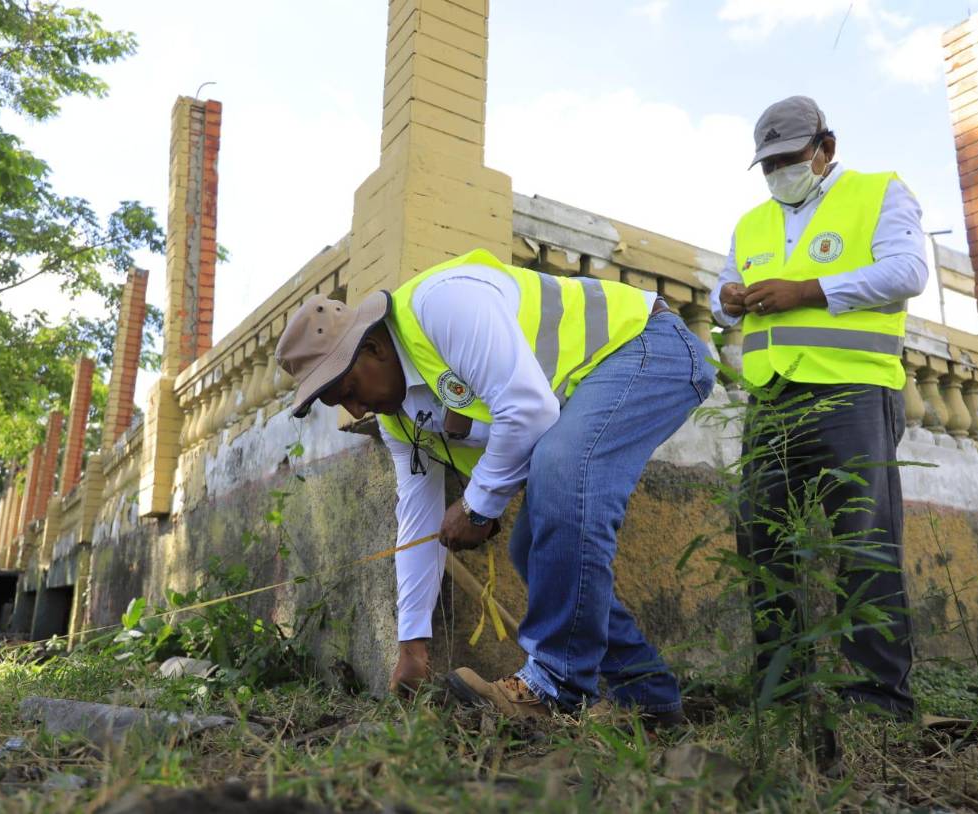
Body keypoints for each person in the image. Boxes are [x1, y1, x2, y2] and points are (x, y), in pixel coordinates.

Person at [275, 248, 716, 722]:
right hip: (598, 382)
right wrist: (413, 644)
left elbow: (529, 411)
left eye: (348, 392)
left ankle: (554, 687)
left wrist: (476, 507)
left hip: (651, 346)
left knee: (563, 469)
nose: (356, 411)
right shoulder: (400, 423)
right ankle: (649, 697)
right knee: (531, 548)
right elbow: (418, 523)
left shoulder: (442, 307)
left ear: (375, 350)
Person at [710, 96, 927, 719]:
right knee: (762, 539)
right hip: (773, 397)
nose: (779, 171)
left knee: (865, 541)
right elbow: (722, 300)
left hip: (853, 393)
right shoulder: (752, 222)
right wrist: (726, 298)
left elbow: (908, 271)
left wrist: (807, 290)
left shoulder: (879, 193)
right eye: (768, 163)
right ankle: (782, 688)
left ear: (825, 148)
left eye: (789, 158)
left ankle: (879, 697)